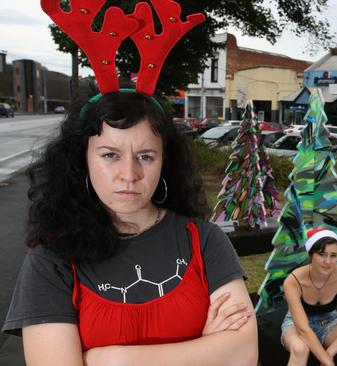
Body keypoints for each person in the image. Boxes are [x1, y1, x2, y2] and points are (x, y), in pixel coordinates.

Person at [2, 90, 258, 365]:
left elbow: (243, 353)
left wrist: (111, 359)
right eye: (110, 155)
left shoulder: (203, 239)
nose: (129, 174)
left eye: (145, 156)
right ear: (82, 159)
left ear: (164, 161)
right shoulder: (52, 259)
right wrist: (205, 351)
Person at [281, 229, 337, 366]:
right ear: (311, 254)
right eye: (322, 254)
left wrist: (329, 354)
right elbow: (303, 329)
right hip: (296, 324)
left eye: (333, 255)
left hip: (329, 321)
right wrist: (328, 363)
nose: (328, 261)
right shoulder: (293, 280)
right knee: (300, 349)